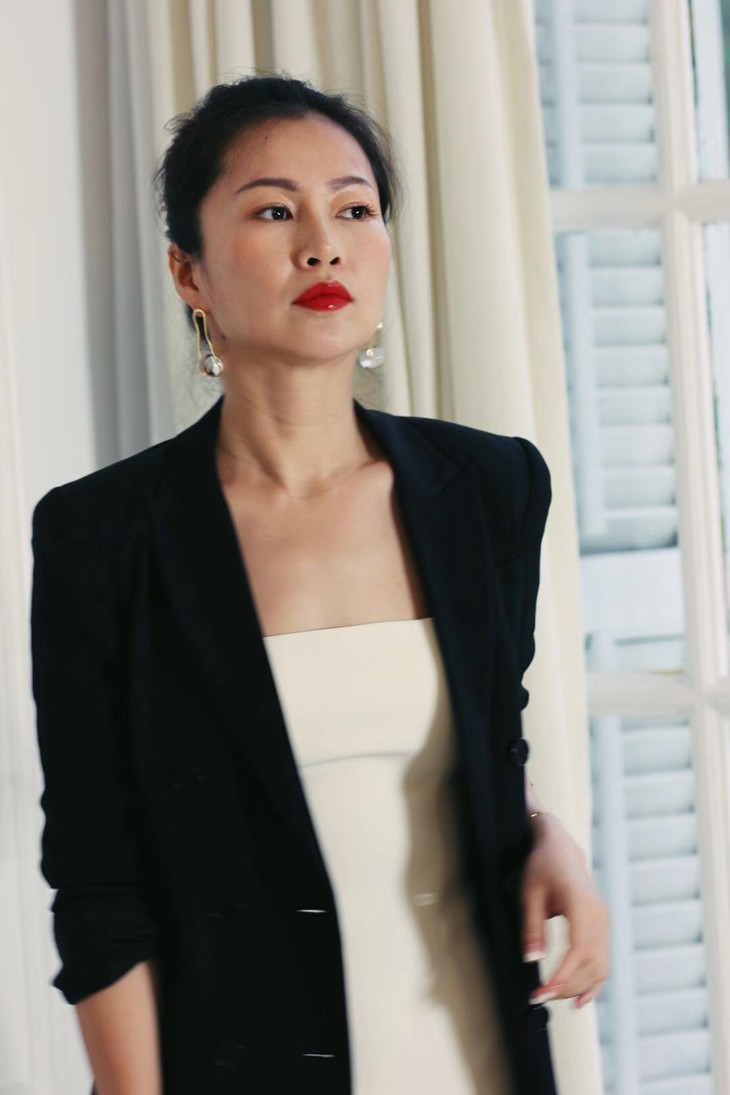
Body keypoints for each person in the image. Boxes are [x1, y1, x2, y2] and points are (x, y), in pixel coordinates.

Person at [30, 74, 609, 1095]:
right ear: (188, 270)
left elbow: (483, 738)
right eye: (272, 212)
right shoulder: (105, 535)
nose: (322, 245)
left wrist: (540, 831)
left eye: (353, 209)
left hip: (478, 1053)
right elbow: (98, 881)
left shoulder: (488, 487)